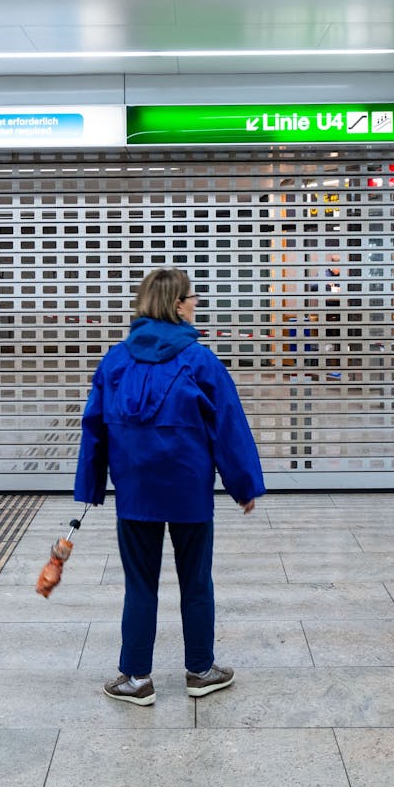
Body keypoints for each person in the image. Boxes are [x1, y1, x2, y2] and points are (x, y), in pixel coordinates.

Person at [74, 268, 265, 706]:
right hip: (188, 491)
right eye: (192, 298)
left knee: (139, 584)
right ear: (178, 304)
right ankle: (200, 670)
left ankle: (136, 678)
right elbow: (228, 427)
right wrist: (243, 485)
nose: (195, 304)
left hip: (135, 492)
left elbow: (94, 428)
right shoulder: (200, 361)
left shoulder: (116, 361)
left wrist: (91, 487)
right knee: (196, 580)